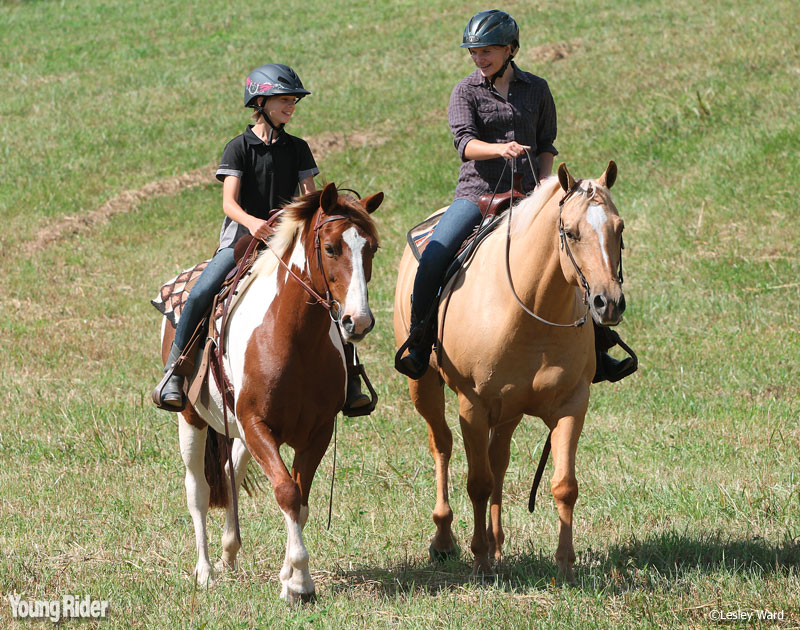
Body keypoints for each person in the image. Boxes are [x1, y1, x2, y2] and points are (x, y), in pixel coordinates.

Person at [396, 10, 635, 383]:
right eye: (474, 52)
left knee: (577, 253)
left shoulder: (537, 89)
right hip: (477, 194)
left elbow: (545, 146)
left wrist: (544, 185)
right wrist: (499, 149)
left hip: (531, 195)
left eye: (487, 51)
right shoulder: (465, 91)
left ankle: (599, 347)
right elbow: (465, 144)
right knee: (436, 254)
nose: (479, 58)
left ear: (511, 49)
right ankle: (419, 340)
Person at [154, 63, 371, 412]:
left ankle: (352, 377)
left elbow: (310, 199)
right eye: (284, 100)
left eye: (293, 101)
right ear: (261, 102)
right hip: (242, 241)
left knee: (329, 297)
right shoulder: (238, 148)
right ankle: (175, 373)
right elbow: (228, 203)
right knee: (202, 291)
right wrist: (253, 223)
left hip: (287, 244)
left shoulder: (299, 148)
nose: (291, 107)